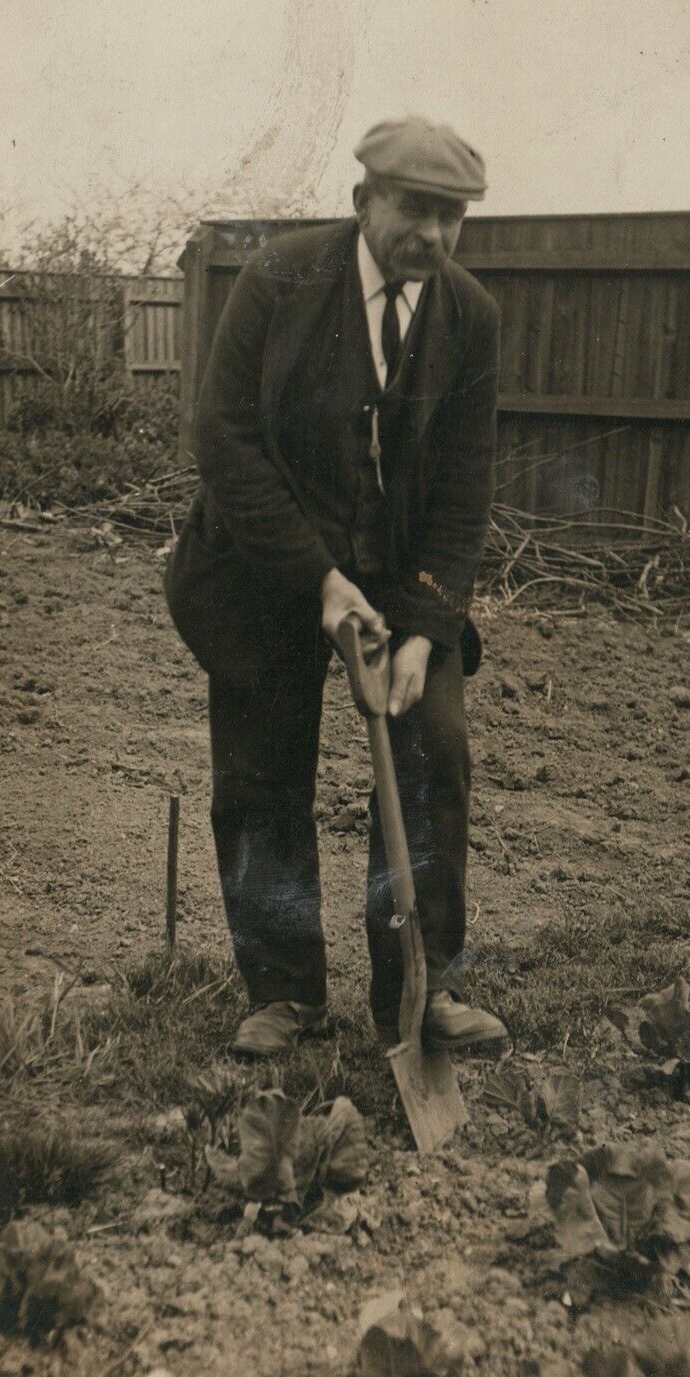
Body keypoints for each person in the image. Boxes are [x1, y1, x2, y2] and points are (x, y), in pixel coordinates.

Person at [165, 115, 509, 1058]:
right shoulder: (278, 281)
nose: (433, 236)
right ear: (363, 203)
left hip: (402, 581)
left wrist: (425, 627)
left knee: (434, 752)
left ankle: (422, 986)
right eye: (415, 210)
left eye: (453, 218)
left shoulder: (469, 315)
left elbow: (463, 489)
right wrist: (317, 580)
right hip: (263, 565)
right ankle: (285, 994)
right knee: (262, 773)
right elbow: (225, 443)